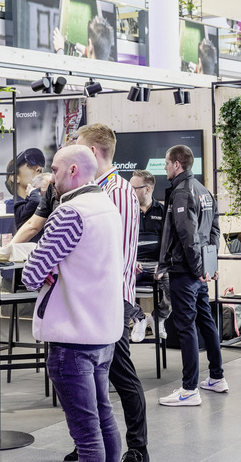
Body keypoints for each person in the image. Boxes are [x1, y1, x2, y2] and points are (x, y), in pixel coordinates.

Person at [22, 145, 124, 462]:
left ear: (73, 171)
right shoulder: (107, 206)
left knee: (86, 434)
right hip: (102, 332)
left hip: (73, 338)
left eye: (55, 169)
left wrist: (51, 268)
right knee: (103, 419)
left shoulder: (70, 212)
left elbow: (31, 273)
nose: (50, 177)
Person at [73, 123, 148, 462]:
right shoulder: (104, 188)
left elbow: (107, 250)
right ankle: (89, 445)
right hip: (104, 298)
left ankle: (138, 447)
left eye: (78, 146)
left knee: (120, 374)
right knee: (94, 377)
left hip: (112, 299)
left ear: (92, 152)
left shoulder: (113, 192)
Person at [157, 145, 228, 407]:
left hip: (186, 271)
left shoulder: (183, 192)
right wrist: (207, 266)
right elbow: (213, 232)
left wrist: (199, 270)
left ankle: (189, 389)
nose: (165, 167)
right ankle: (217, 377)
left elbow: (187, 237)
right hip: (198, 271)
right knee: (206, 322)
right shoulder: (204, 191)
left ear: (177, 164)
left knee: (186, 328)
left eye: (166, 163)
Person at [129, 169, 169, 342]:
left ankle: (158, 317)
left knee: (177, 285)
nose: (130, 192)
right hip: (132, 265)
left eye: (135, 188)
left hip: (157, 265)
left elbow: (170, 243)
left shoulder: (163, 211)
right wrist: (130, 261)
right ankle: (139, 318)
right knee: (114, 284)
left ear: (148, 189)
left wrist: (162, 264)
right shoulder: (126, 211)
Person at [13, 171, 52, 243]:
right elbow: (36, 201)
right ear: (37, 189)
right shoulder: (20, 207)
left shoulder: (51, 205)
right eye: (49, 189)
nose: (52, 193)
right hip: (28, 250)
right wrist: (33, 191)